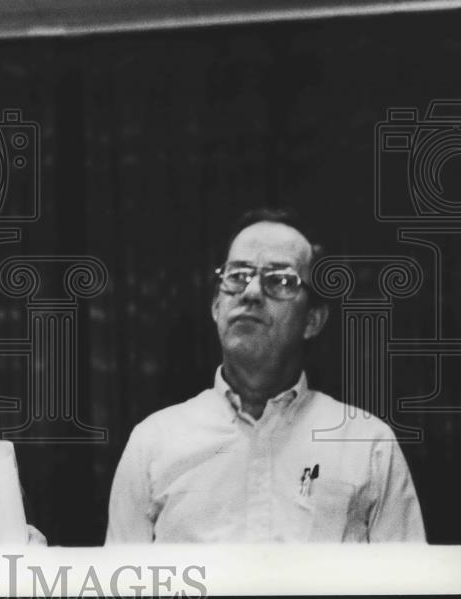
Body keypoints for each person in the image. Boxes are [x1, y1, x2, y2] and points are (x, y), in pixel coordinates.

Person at [106, 208, 425, 543]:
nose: (252, 292)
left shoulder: (367, 444)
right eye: (237, 276)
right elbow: (120, 587)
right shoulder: (153, 442)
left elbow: (411, 586)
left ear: (313, 320)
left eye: (280, 281)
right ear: (216, 307)